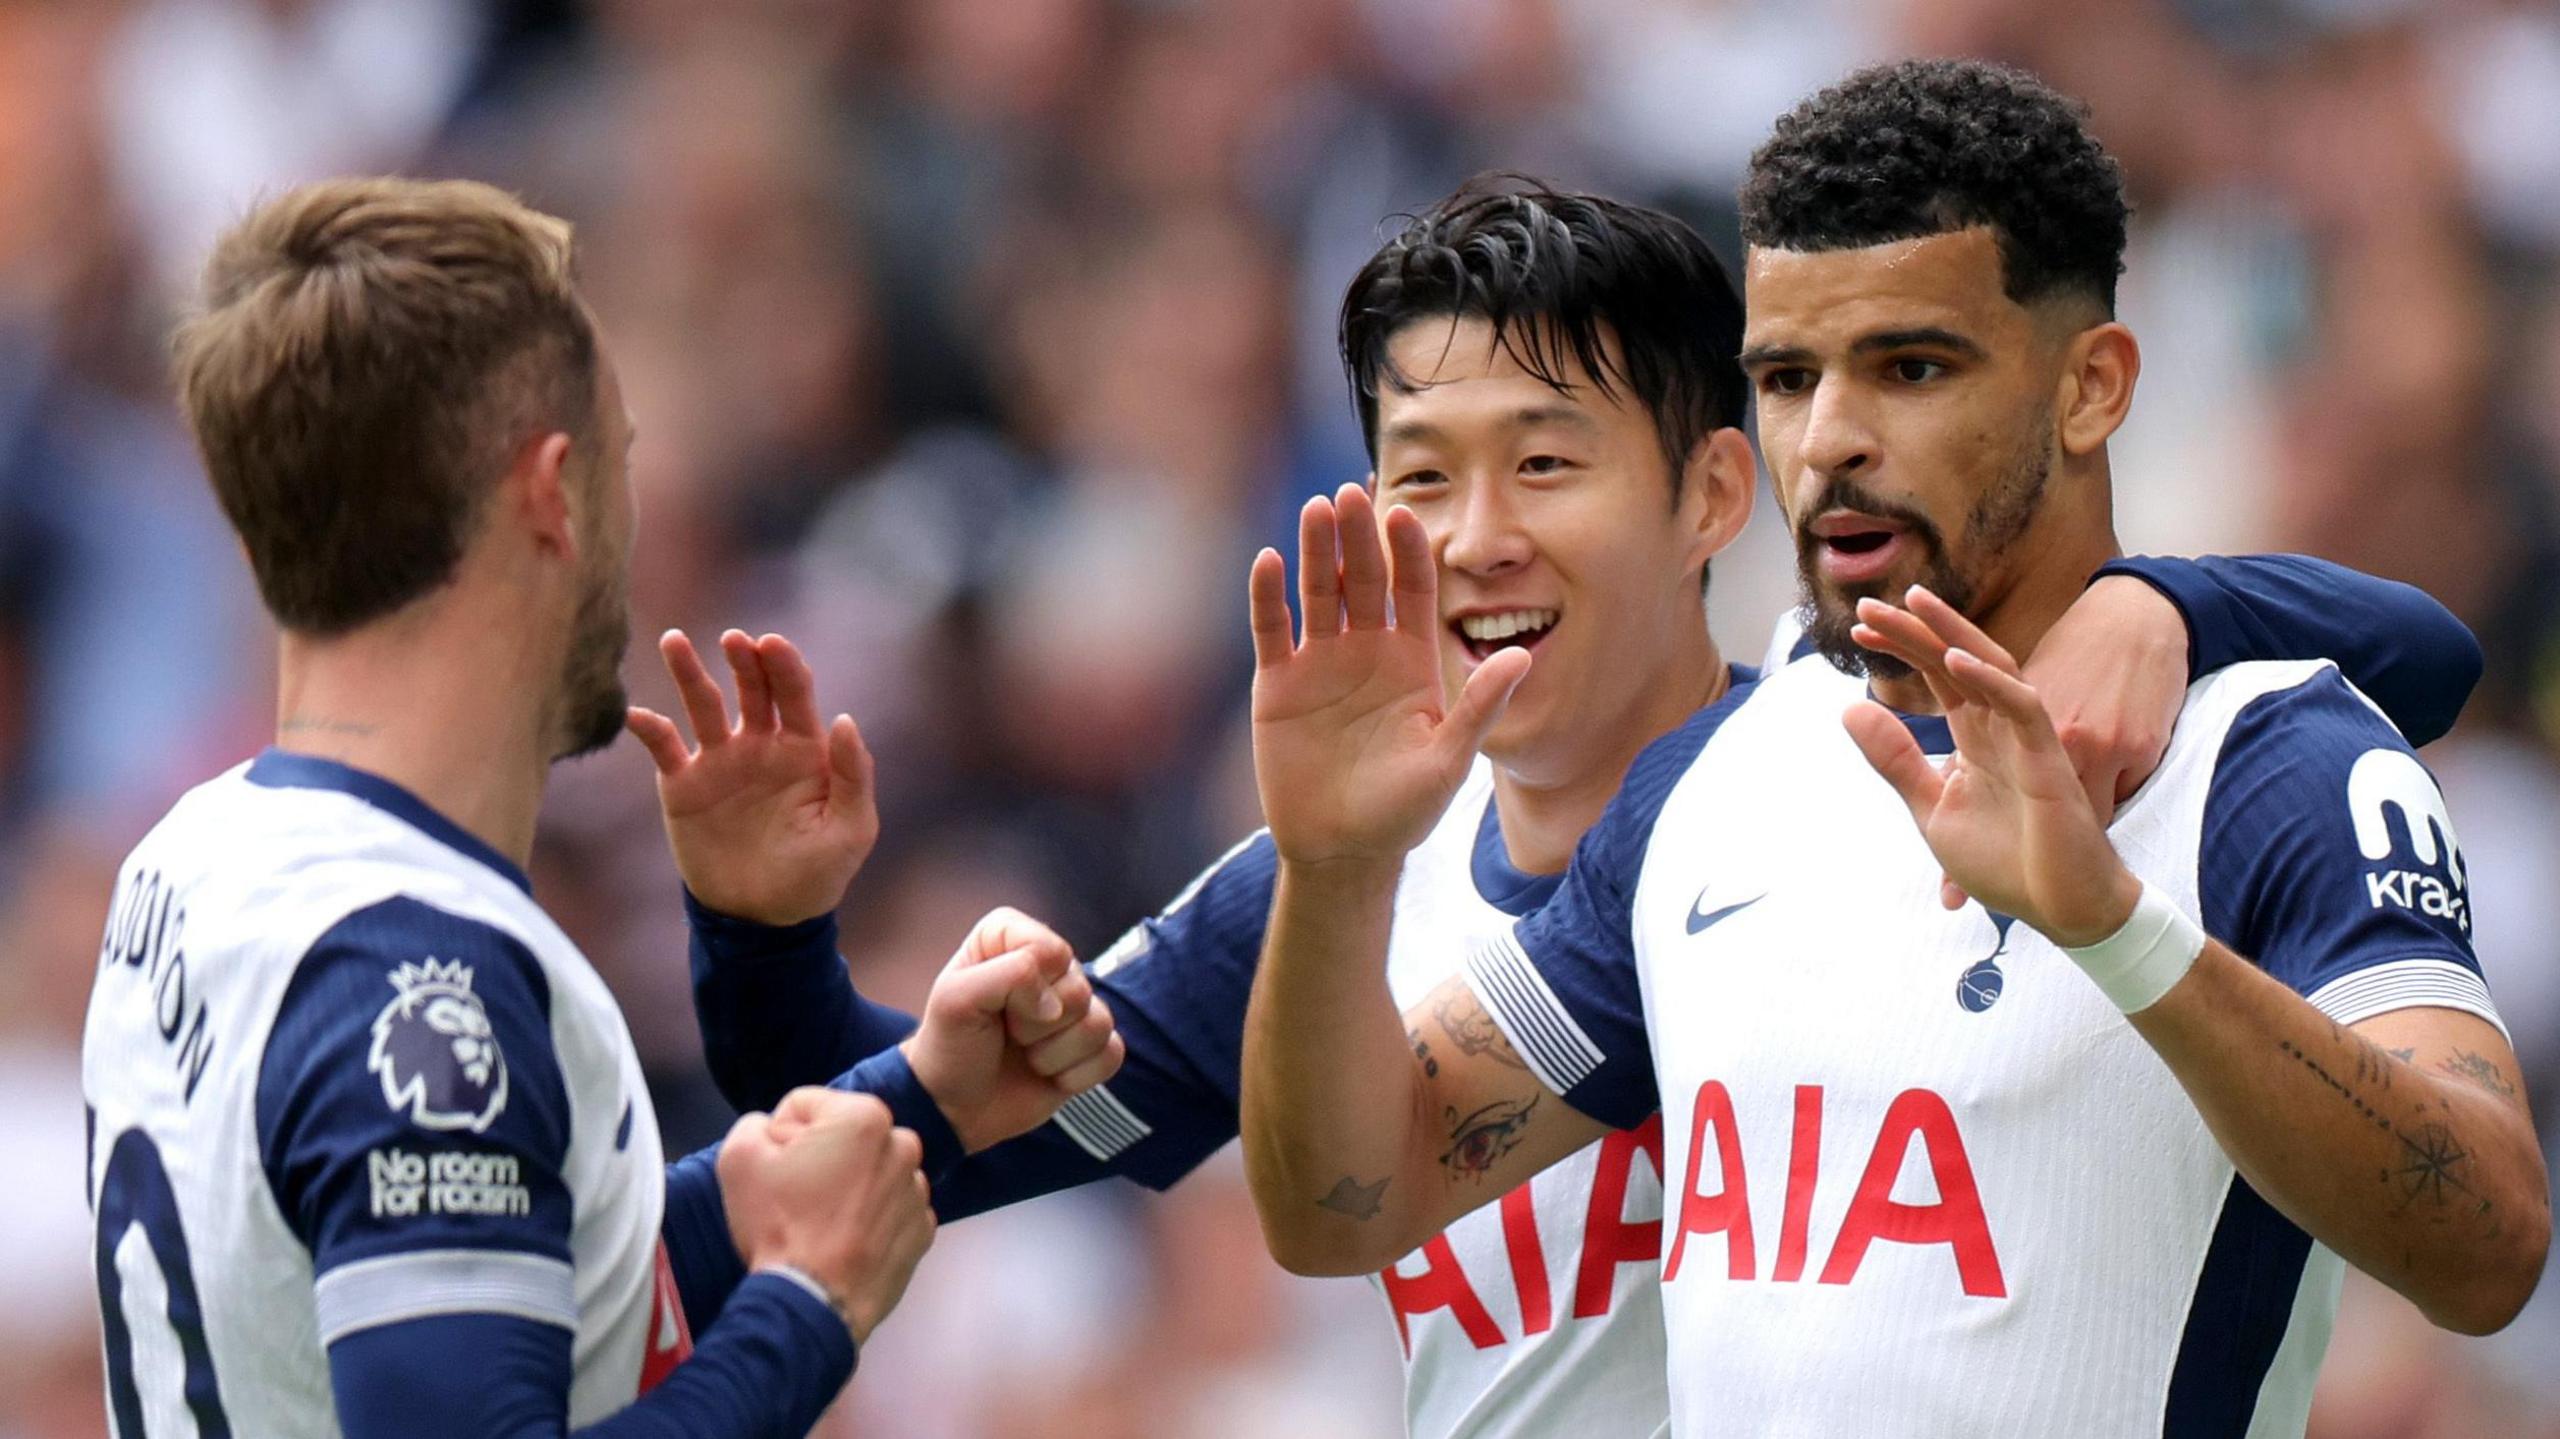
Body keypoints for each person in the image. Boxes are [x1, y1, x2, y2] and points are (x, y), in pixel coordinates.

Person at [667, 179, 2487, 1438]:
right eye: (1418, 476)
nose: (1473, 539)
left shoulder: (1854, 773)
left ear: (1714, 495)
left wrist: (2164, 600)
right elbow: (862, 1151)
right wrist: (763, 936)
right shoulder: (1319, 895)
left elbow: (2418, 645)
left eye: (1544, 462)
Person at [1236, 67, 2549, 1437]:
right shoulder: (1717, 776)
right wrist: (1337, 871)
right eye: (1788, 379)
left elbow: (2491, 1238)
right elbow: (1356, 1192)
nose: (1832, 441)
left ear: (2092, 388)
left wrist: (2114, 930)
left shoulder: (2270, 761)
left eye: (1911, 367)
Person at [81, 176, 1116, 1439]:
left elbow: (455, 1289)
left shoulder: (186, 856)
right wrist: (809, 1299)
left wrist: (883, 1121)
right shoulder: (418, 973)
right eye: (621, 460)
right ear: (550, 495)